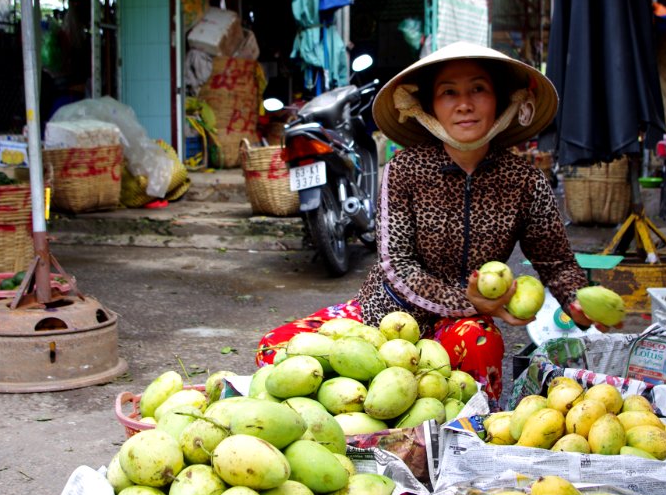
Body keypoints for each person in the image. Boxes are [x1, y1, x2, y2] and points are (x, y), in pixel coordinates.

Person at [256, 42, 607, 405]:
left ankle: (466, 435)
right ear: (429, 106)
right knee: (276, 349)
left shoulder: (525, 181)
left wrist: (577, 301)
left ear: (502, 101)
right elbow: (397, 264)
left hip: (458, 329)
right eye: (448, 92)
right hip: (384, 315)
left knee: (479, 343)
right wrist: (470, 302)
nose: (464, 104)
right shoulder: (404, 170)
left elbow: (556, 260)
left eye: (478, 89)